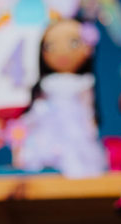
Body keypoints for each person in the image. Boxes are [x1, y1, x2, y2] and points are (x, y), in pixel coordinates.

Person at [17, 17, 108, 178]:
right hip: (49, 124)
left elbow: (87, 106)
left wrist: (90, 124)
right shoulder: (46, 84)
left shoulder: (83, 82)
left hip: (74, 125)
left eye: (73, 43)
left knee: (76, 153)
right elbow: (39, 105)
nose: (62, 50)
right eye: (50, 46)